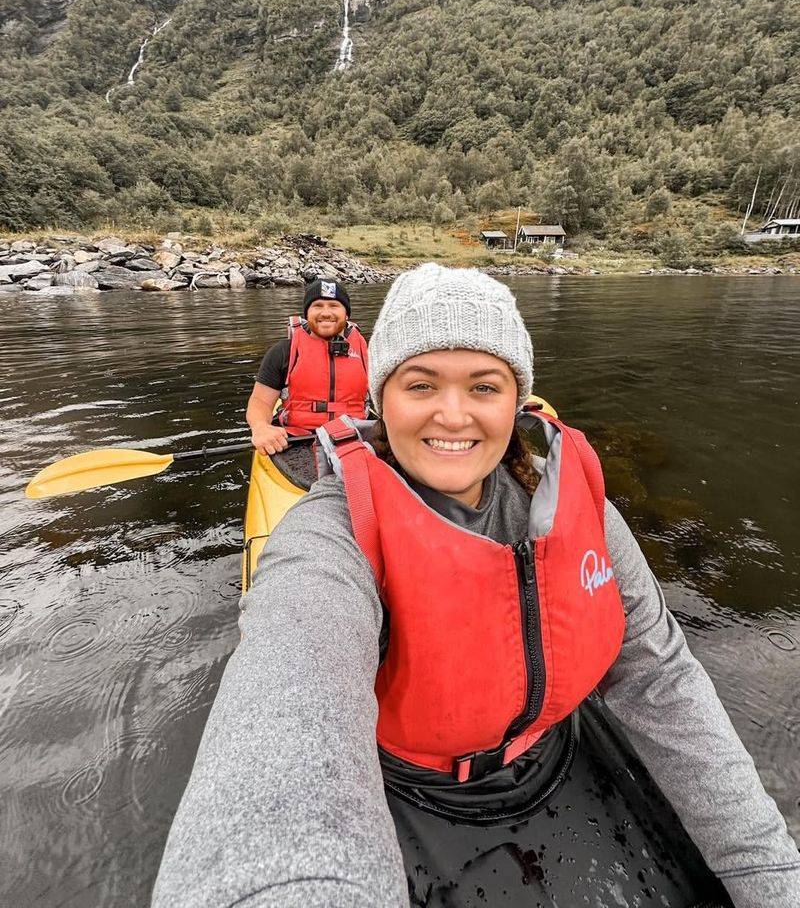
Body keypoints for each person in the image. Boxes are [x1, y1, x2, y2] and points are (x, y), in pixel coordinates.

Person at [153, 264, 800, 908]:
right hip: (409, 785)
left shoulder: (576, 506)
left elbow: (660, 676)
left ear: (515, 398)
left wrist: (769, 876)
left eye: (483, 386)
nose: (453, 414)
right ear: (385, 398)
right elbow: (284, 713)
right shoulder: (330, 538)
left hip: (553, 751)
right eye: (422, 384)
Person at [246, 278, 368, 453]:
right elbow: (260, 401)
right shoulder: (283, 351)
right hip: (298, 439)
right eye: (318, 305)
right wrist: (260, 428)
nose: (326, 313)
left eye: (334, 305)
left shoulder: (366, 351)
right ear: (306, 313)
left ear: (346, 314)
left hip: (355, 435)